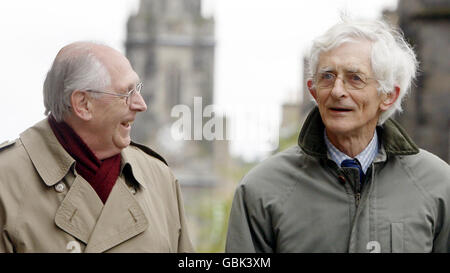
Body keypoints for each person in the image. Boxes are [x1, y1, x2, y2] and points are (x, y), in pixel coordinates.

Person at [226, 17, 450, 253]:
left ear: (389, 96)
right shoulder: (261, 190)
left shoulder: (439, 185)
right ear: (313, 90)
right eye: (327, 77)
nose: (337, 91)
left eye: (355, 78)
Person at [0, 42, 194, 253]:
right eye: (126, 94)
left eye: (137, 89)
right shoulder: (6, 180)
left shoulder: (159, 177)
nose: (141, 105)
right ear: (83, 104)